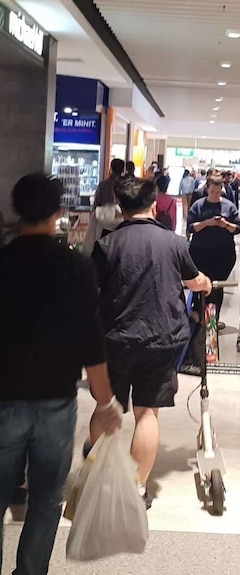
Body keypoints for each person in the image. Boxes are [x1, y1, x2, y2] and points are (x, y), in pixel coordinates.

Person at [0, 174, 123, 575]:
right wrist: (105, 403)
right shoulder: (76, 268)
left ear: (16, 211)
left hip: (2, 400)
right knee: (46, 499)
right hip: (55, 401)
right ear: (58, 213)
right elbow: (91, 343)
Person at [91, 177, 212, 509]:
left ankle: (99, 479)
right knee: (147, 413)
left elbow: (92, 291)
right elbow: (194, 280)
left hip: (115, 338)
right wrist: (205, 283)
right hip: (161, 339)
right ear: (155, 203)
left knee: (107, 408)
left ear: (120, 206)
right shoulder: (173, 243)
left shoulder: (107, 244)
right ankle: (136, 488)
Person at [187, 174, 240, 325]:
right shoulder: (198, 205)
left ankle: (213, 318)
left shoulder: (229, 206)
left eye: (218, 192)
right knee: (201, 284)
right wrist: (206, 223)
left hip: (223, 253)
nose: (216, 195)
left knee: (217, 286)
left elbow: (237, 228)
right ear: (207, 189)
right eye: (213, 192)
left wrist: (225, 225)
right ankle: (199, 313)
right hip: (200, 251)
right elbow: (191, 227)